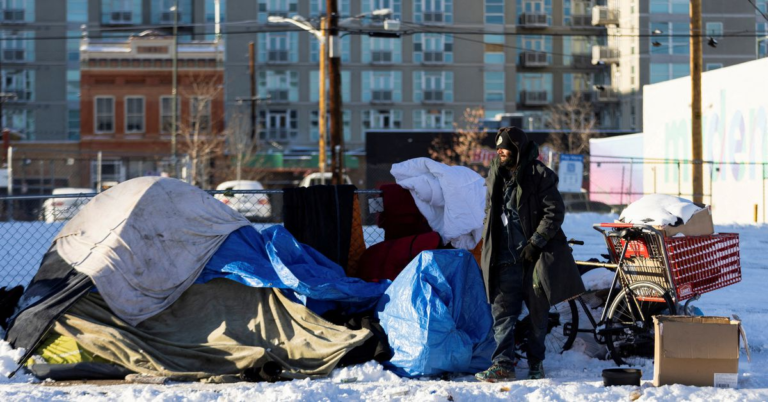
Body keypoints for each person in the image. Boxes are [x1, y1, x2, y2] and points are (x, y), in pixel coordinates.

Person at [475, 126, 585, 382]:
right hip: (503, 259)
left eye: (505, 147)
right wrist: (486, 238)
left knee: (538, 314)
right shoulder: (495, 173)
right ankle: (503, 364)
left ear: (517, 149)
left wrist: (535, 243)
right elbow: (490, 210)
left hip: (534, 259)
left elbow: (553, 212)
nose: (500, 151)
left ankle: (536, 363)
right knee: (502, 314)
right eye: (498, 147)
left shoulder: (539, 175)